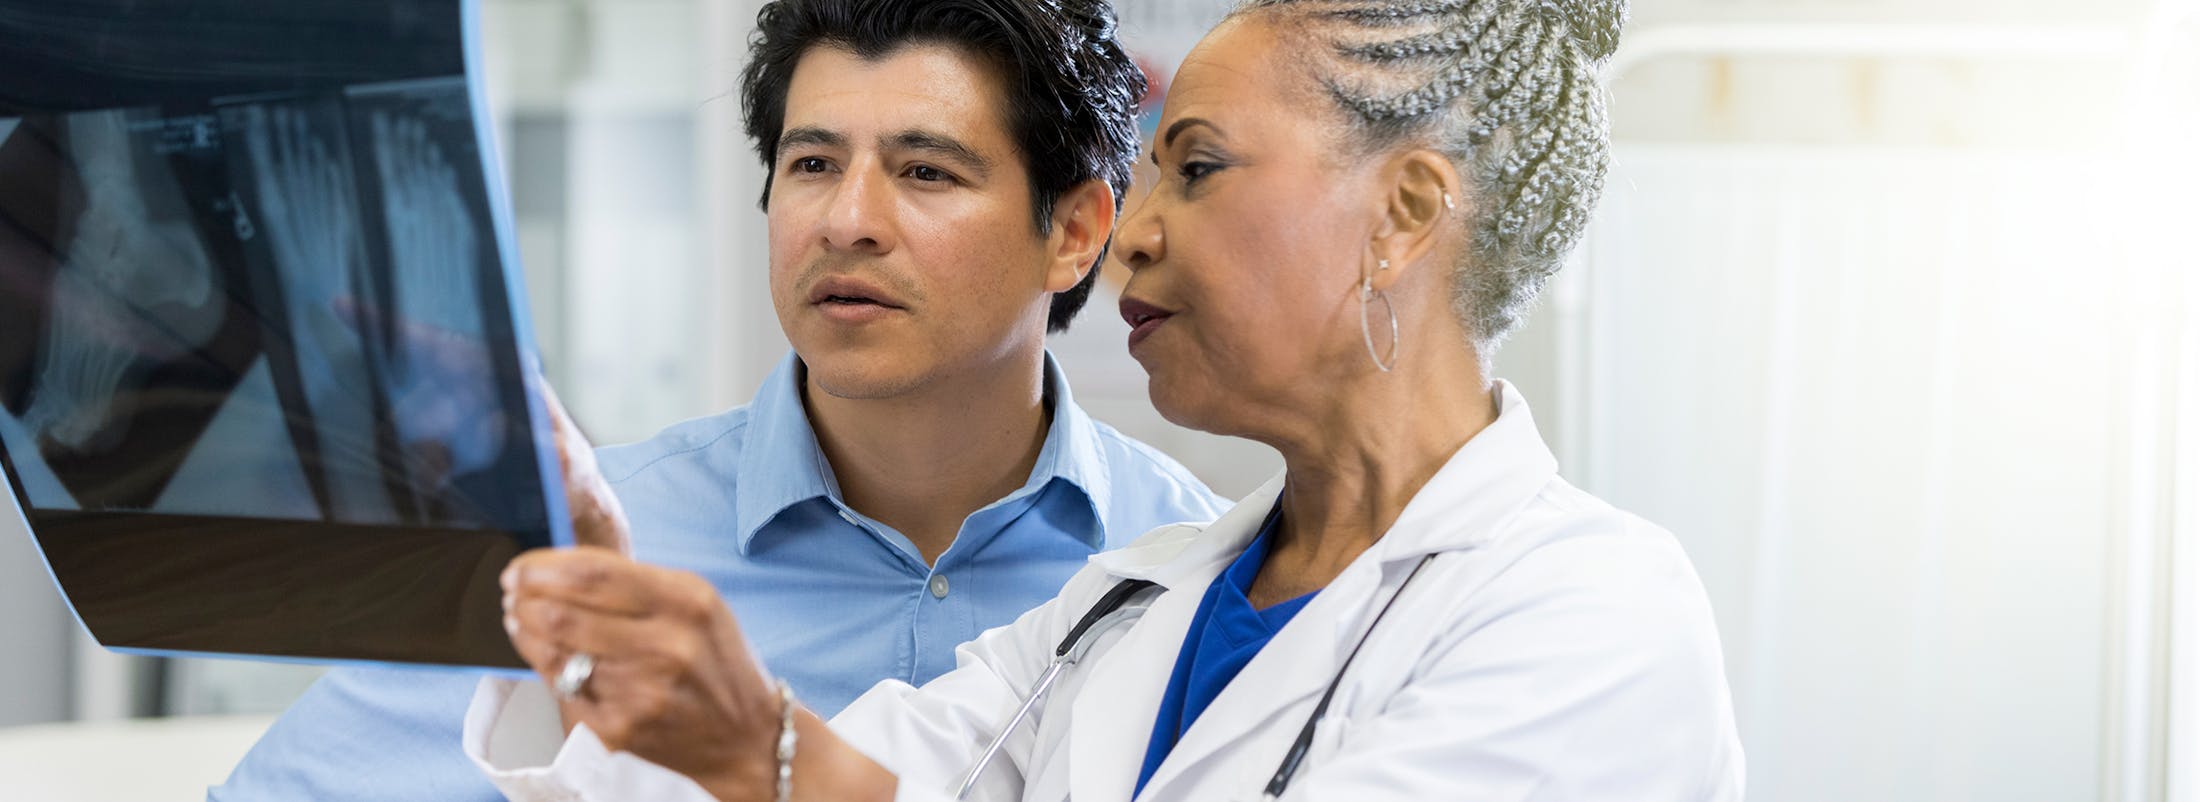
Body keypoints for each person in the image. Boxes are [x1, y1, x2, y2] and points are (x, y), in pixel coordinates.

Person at [474, 0, 1746, 799]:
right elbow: (880, 785)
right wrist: (604, 629)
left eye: (1194, 170)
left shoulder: (1591, 614)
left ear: (1403, 214)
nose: (1129, 235)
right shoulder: (1132, 602)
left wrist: (761, 749)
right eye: (812, 162)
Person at [208, 0, 1227, 798]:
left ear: (1077, 230)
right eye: (814, 163)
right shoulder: (583, 548)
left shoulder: (1195, 572)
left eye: (925, 170)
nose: (848, 220)